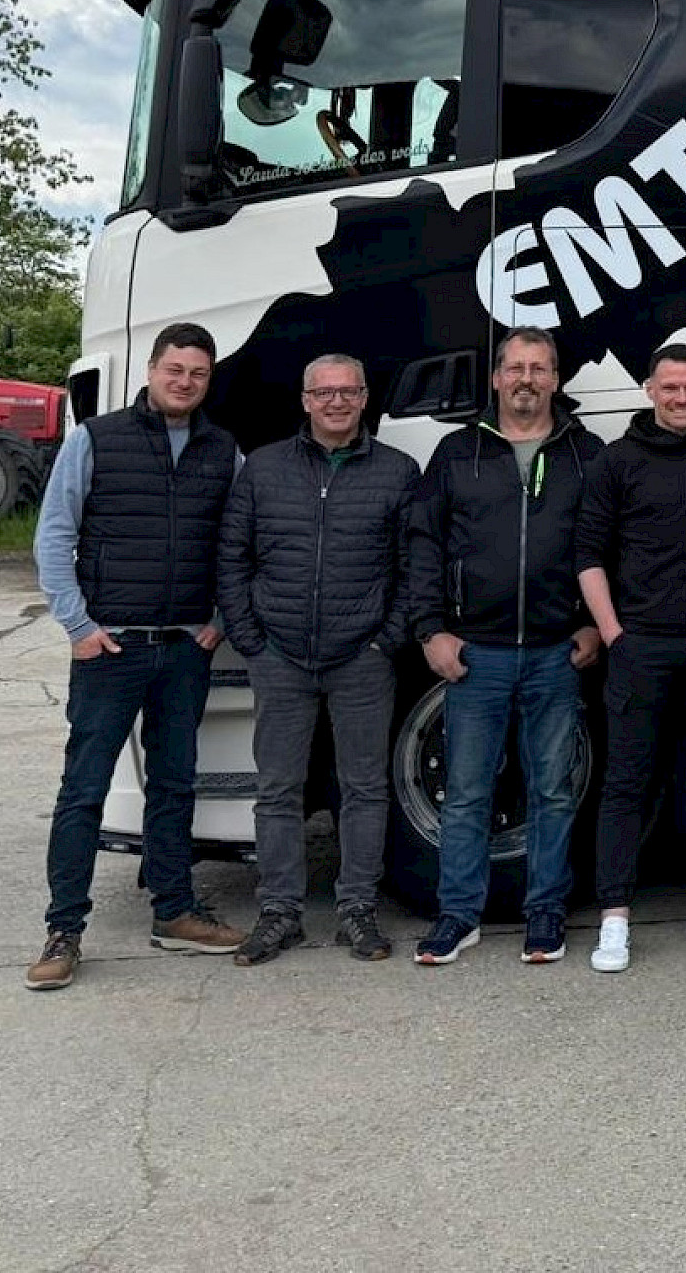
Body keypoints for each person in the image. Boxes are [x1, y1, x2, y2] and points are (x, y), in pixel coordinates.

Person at [28, 323, 246, 990]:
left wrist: (217, 620)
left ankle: (174, 912)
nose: (185, 382)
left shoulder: (223, 450)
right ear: (151, 370)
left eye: (198, 373)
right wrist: (77, 625)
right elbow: (54, 534)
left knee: (176, 784)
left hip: (184, 648)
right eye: (174, 369)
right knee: (84, 790)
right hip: (110, 647)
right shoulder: (96, 439)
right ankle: (64, 930)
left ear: (209, 380)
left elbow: (239, 542)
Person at [406, 327, 604, 967]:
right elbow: (423, 545)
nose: (526, 380)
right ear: (495, 378)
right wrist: (430, 629)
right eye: (516, 368)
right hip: (476, 656)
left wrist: (593, 625)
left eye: (539, 369)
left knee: (553, 792)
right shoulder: (456, 452)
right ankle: (457, 916)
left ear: (555, 379)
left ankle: (545, 913)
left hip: (555, 652)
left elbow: (608, 546)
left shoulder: (585, 453)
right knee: (466, 793)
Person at [216, 353, 419, 968]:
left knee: (365, 789)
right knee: (278, 789)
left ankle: (358, 908)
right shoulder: (264, 468)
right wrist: (250, 639)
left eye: (348, 392)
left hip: (363, 658)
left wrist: (387, 640)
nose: (336, 402)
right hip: (279, 655)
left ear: (364, 398)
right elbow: (233, 556)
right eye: (324, 392)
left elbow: (414, 567)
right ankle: (280, 912)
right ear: (305, 401)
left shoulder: (398, 471)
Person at [575, 343, 686, 974]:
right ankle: (614, 917)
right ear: (649, 389)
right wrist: (614, 633)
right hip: (639, 644)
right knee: (627, 782)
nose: (681, 398)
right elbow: (588, 554)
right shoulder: (616, 460)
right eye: (669, 387)